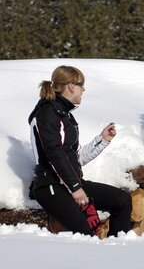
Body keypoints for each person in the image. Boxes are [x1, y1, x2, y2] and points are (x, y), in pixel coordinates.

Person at [28, 65, 132, 236]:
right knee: (87, 234)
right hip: (51, 188)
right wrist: (76, 188)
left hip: (70, 184)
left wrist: (102, 139)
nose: (83, 90)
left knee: (122, 200)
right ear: (71, 86)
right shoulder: (47, 114)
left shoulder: (65, 114)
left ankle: (118, 249)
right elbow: (55, 155)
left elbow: (74, 158)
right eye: (81, 85)